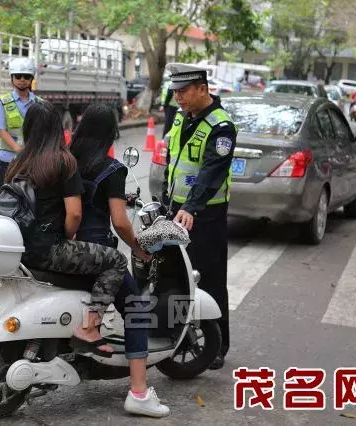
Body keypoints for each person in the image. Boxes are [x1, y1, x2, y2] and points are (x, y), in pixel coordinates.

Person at [69, 103, 170, 418]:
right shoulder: (113, 169)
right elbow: (120, 222)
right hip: (98, 252)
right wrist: (139, 248)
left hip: (67, 249)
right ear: (111, 134)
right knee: (137, 309)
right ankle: (139, 392)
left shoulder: (69, 162)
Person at [8, 100, 129, 357]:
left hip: (18, 247)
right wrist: (65, 237)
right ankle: (90, 327)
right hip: (47, 248)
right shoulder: (63, 161)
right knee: (116, 261)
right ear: (57, 129)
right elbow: (74, 214)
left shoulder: (17, 162)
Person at [162, 63, 238, 370]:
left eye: (183, 91)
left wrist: (191, 207)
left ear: (202, 89)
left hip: (205, 215)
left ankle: (218, 345)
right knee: (178, 277)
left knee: (210, 279)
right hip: (177, 209)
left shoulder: (221, 127)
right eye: (175, 92)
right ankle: (181, 336)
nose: (178, 98)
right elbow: (174, 161)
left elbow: (211, 173)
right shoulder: (184, 116)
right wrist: (167, 201)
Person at [0, 57, 40, 190]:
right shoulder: (3, 101)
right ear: (12, 78)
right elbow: (1, 129)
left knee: (30, 198)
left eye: (26, 76)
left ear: (31, 79)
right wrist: (17, 149)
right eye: (18, 76)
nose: (22, 80)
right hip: (8, 160)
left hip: (32, 160)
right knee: (4, 197)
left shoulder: (40, 103)